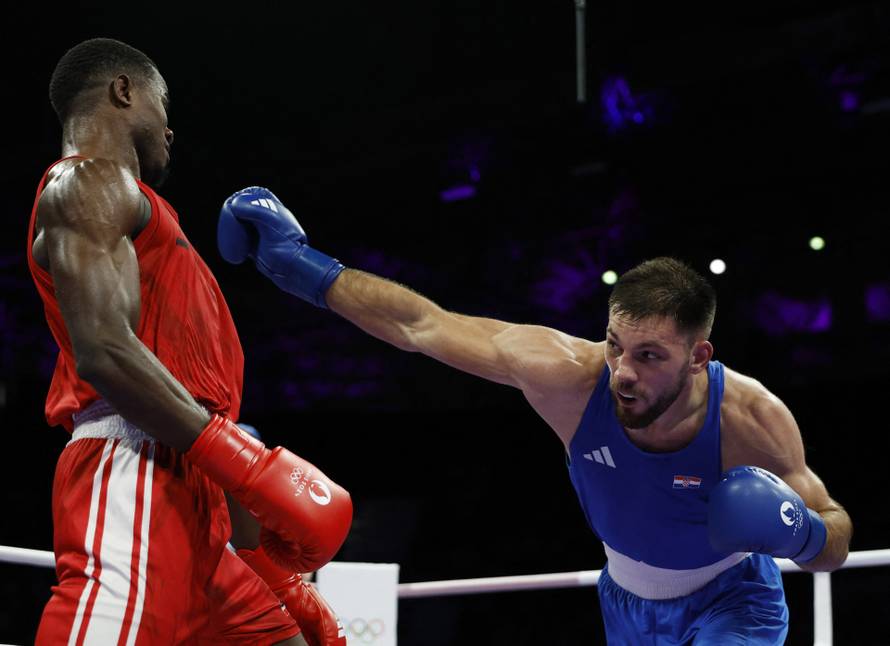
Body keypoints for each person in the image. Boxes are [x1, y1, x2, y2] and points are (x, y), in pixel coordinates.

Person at [217, 186, 853, 644]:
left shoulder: (749, 416)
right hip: (626, 603)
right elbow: (423, 325)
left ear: (698, 356)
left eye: (651, 355)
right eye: (615, 346)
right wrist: (305, 268)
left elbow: (834, 534)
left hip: (734, 603)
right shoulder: (570, 378)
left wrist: (802, 534)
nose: (624, 372)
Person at [27, 39, 350, 645]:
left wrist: (269, 564)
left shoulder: (142, 209)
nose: (170, 131)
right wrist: (248, 463)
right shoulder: (86, 182)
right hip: (137, 467)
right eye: (161, 106)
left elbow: (193, 396)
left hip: (194, 481)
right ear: (124, 90)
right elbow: (106, 351)